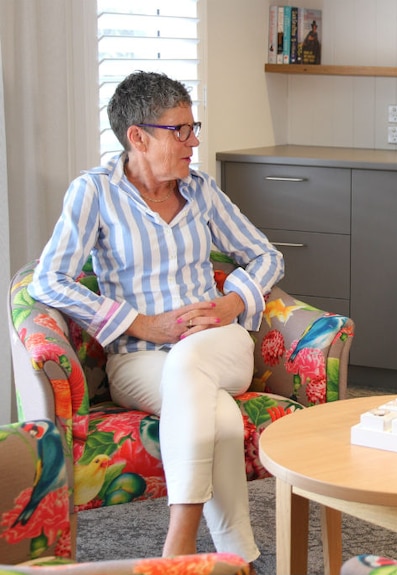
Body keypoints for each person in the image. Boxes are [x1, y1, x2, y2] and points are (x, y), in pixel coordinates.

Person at [28, 71, 284, 564]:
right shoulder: (94, 194)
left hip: (222, 344)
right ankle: (241, 557)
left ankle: (178, 545)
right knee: (223, 421)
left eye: (194, 127)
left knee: (191, 363)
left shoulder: (203, 191)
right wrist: (140, 324)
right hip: (139, 361)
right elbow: (48, 280)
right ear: (138, 138)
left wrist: (232, 302)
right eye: (181, 130)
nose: (194, 142)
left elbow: (266, 256)